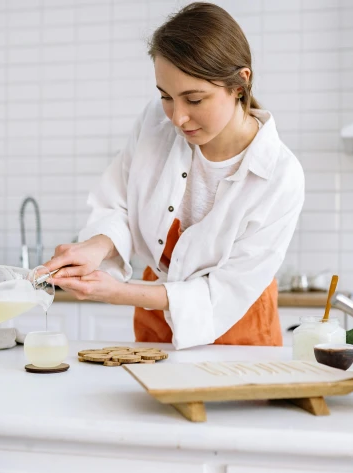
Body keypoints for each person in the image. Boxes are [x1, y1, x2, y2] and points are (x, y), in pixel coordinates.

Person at [43, 2, 304, 349]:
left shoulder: (280, 176)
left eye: (194, 99)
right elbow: (120, 204)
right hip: (152, 308)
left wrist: (118, 292)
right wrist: (96, 246)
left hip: (238, 321)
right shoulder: (155, 121)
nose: (177, 118)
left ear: (240, 83)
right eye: (166, 96)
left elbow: (223, 292)